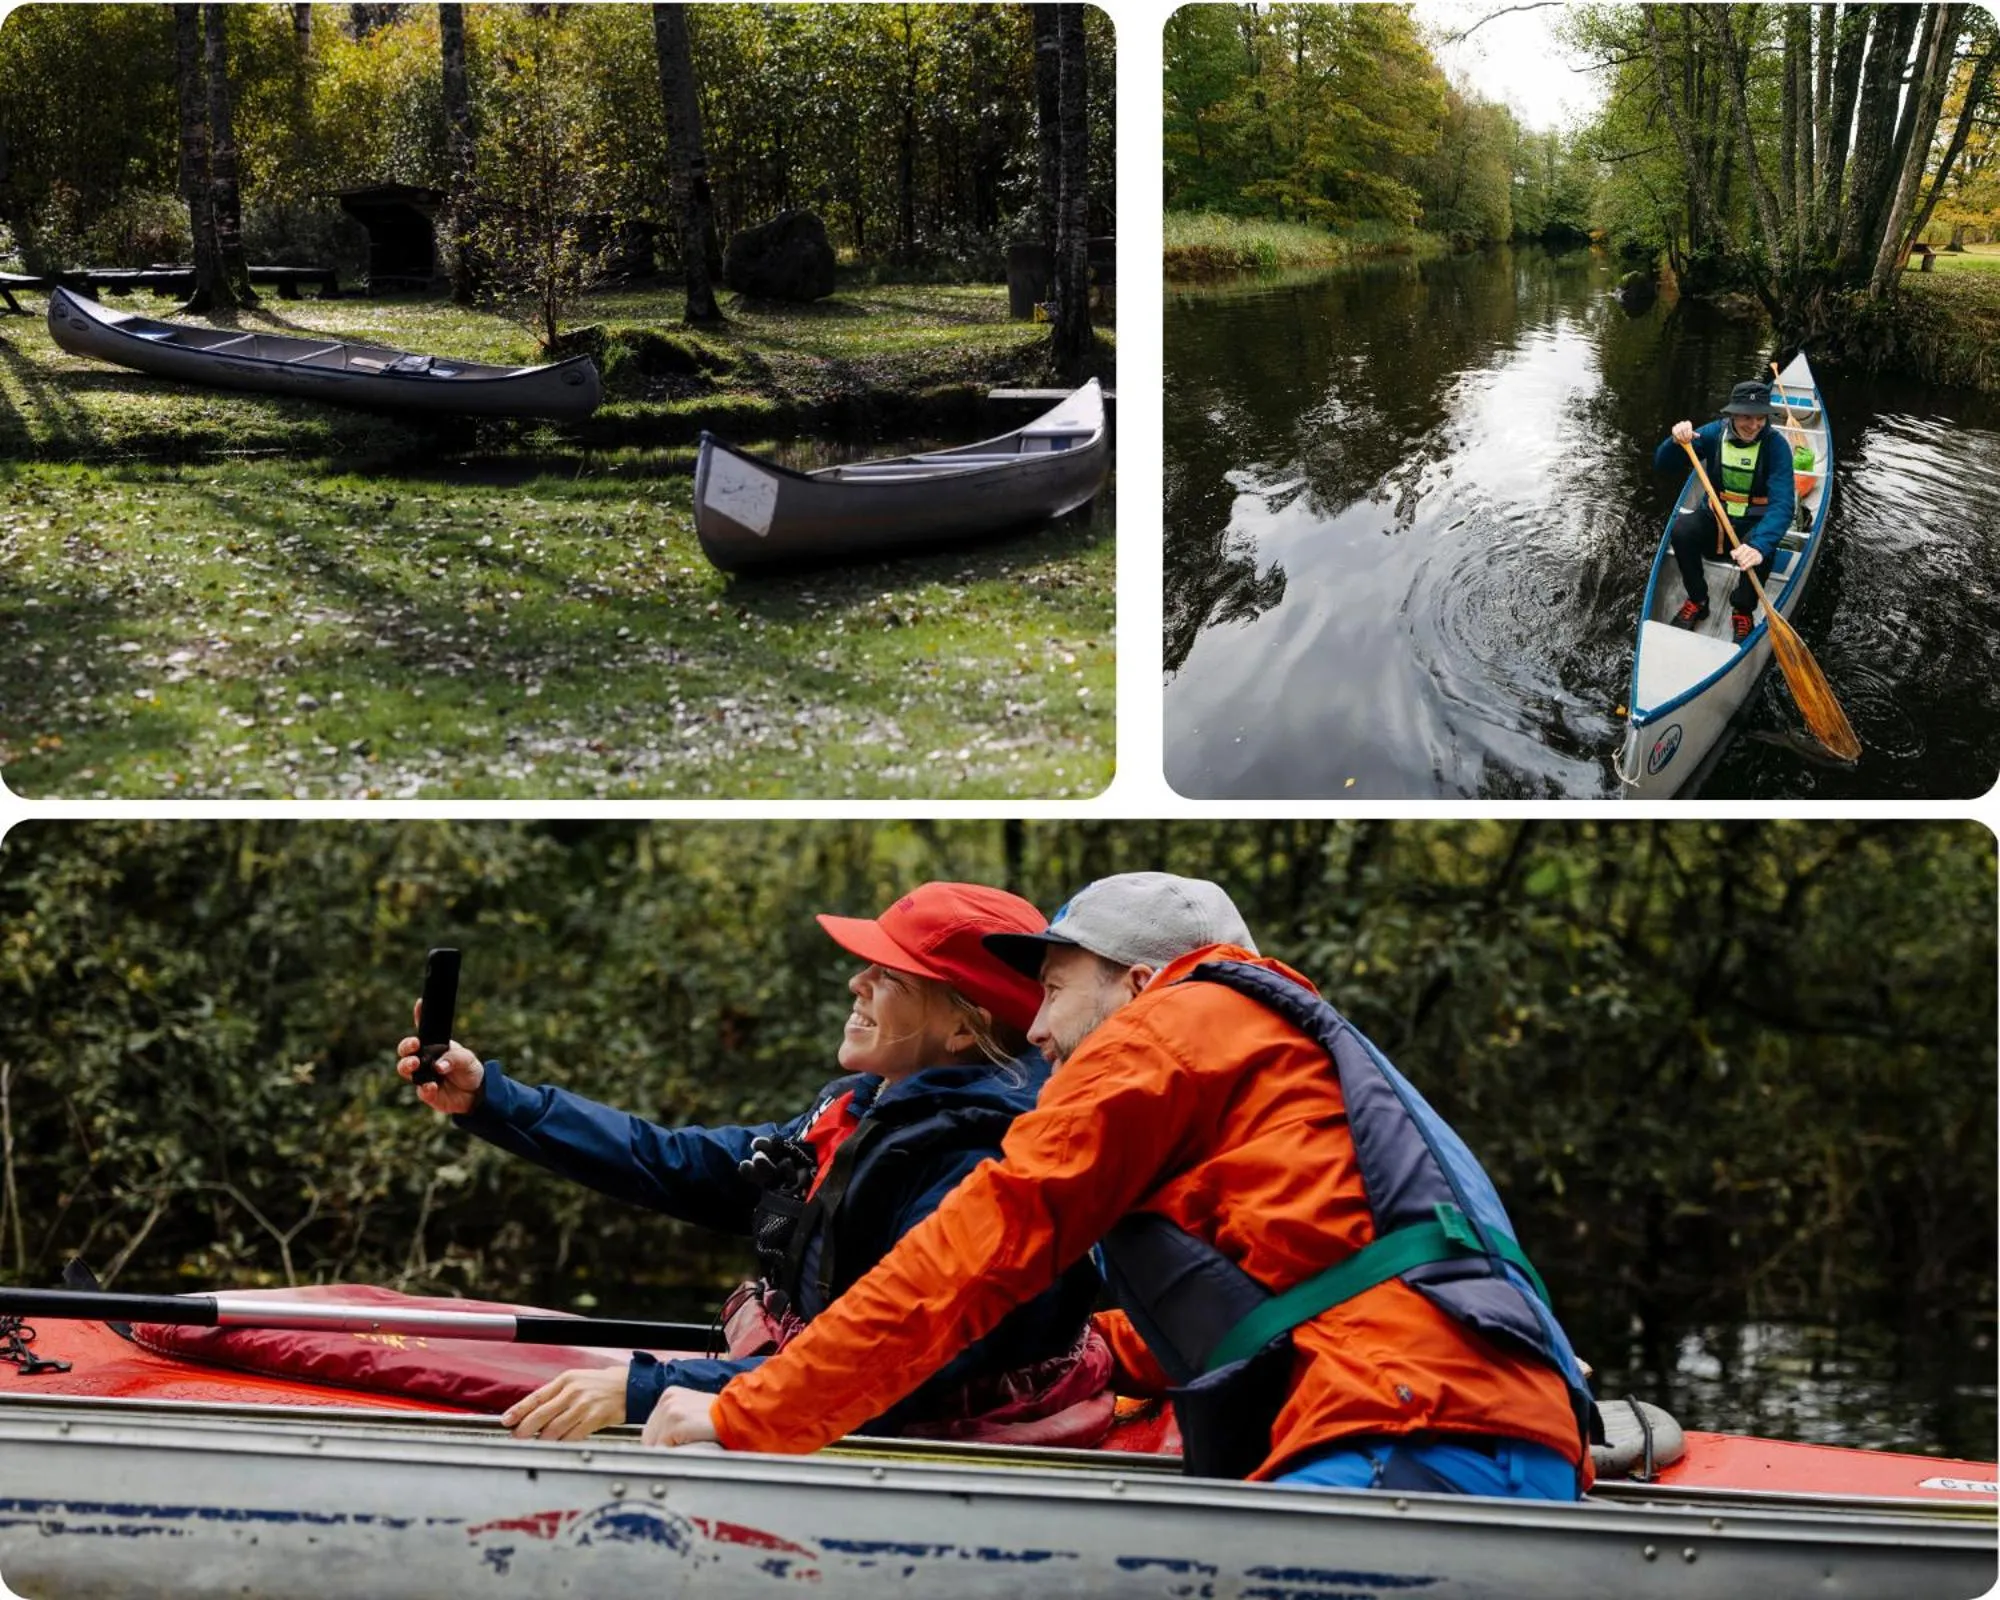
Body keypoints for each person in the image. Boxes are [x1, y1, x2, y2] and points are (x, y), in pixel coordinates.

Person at [639, 872, 1595, 1502]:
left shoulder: (1165, 1033)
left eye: (1053, 991)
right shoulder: (1285, 1049)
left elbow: (972, 1252)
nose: (1038, 1032)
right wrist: (1097, 1351)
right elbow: (1275, 1287)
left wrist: (748, 1412)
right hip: (1498, 1431)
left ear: (1137, 982)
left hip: (1398, 1439)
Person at [393, 881, 1107, 1445]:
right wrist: (492, 1098)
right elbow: (672, 1162)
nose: (856, 984)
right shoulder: (865, 1110)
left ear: (962, 1025)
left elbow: (906, 1374)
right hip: (825, 1379)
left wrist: (650, 1388)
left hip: (923, 1416)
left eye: (889, 975)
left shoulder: (986, 1165)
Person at [1656, 380, 1797, 644]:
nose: (1754, 426)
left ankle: (1743, 609)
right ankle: (1698, 599)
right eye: (1746, 417)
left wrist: (1759, 545)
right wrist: (1674, 441)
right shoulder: (1711, 434)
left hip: (1755, 522)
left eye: (1760, 418)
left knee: (1762, 550)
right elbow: (1664, 464)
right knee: (1682, 530)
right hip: (1716, 518)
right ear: (1732, 414)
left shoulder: (1776, 447)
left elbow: (1782, 505)